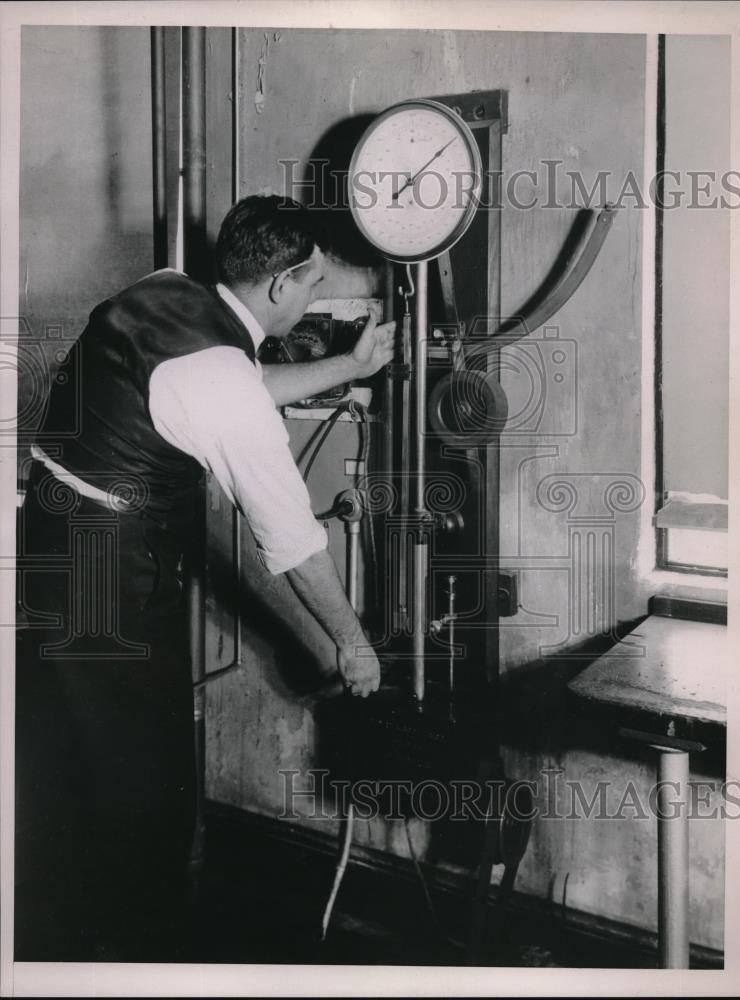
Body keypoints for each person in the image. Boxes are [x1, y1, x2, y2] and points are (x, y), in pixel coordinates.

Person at [15, 195, 395, 961]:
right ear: (282, 286)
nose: (317, 299)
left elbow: (227, 397)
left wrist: (350, 366)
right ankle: (127, 957)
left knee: (66, 760)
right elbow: (292, 543)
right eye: (315, 285)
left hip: (51, 541)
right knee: (142, 792)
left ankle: (54, 937)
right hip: (110, 577)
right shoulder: (221, 376)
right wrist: (353, 647)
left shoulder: (164, 288)